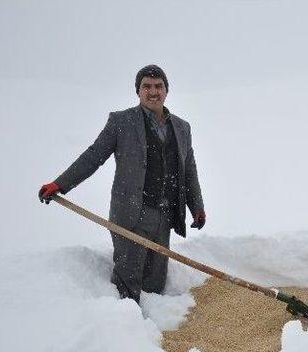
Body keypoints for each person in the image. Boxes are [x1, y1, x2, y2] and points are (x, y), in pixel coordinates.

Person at [38, 64, 206, 303]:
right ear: (137, 91)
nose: (153, 91)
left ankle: (154, 331)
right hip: (131, 215)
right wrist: (60, 184)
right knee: (128, 284)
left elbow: (188, 169)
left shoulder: (181, 127)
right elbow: (94, 155)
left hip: (164, 215)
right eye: (146, 86)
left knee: (155, 283)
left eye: (158, 86)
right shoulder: (121, 122)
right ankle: (126, 332)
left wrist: (196, 206)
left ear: (167, 90)